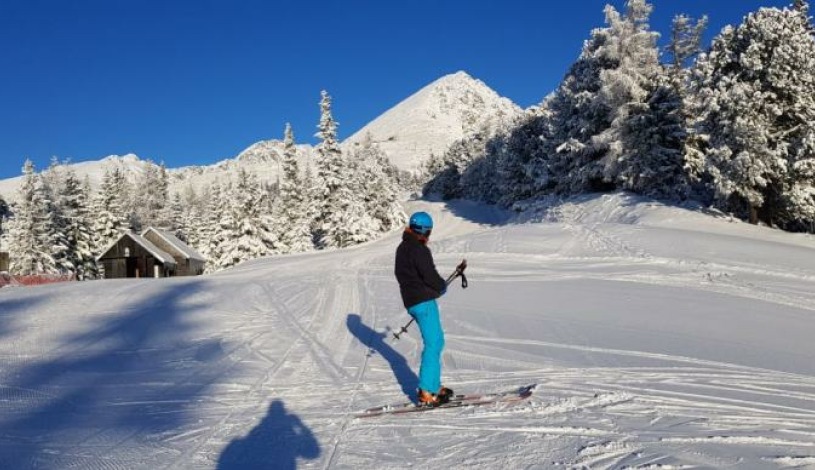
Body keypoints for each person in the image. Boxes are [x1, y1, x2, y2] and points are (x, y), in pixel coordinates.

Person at [394, 211, 454, 406]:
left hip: (412, 301)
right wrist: (440, 287)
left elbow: (407, 276)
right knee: (434, 343)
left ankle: (433, 386)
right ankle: (427, 390)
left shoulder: (402, 248)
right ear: (423, 231)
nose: (428, 236)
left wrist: (425, 289)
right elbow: (429, 275)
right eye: (428, 232)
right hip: (423, 302)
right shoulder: (419, 250)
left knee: (434, 341)